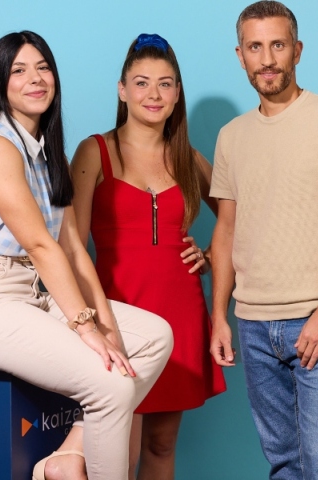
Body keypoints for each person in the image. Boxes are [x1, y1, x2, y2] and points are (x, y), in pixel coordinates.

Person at [0, 30, 173, 480]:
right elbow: (40, 244)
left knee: (155, 337)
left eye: (43, 68)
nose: (35, 78)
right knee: (109, 383)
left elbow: (72, 249)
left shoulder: (50, 154)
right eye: (19, 70)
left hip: (35, 291)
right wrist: (85, 326)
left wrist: (107, 327)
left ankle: (66, 456)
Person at [71, 34, 226, 480]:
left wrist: (210, 254)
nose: (153, 94)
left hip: (181, 314)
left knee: (161, 444)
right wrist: (88, 319)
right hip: (117, 313)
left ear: (177, 94)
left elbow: (237, 222)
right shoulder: (94, 150)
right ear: (122, 90)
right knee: (119, 450)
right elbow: (71, 245)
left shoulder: (188, 158)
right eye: (141, 83)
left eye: (165, 83)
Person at [209, 1, 318, 478]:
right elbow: (226, 228)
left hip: (312, 317)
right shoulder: (231, 136)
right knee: (283, 464)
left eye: (278, 45)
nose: (267, 59)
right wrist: (219, 315)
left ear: (297, 50)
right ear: (240, 56)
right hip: (252, 325)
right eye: (255, 47)